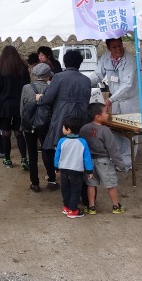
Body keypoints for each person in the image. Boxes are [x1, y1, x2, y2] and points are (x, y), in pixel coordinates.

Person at [38, 50, 92, 191]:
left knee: (49, 147)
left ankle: (55, 177)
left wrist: (40, 98)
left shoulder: (59, 77)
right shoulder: (86, 80)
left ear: (65, 62)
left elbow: (48, 98)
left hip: (63, 116)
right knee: (77, 148)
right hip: (81, 118)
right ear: (80, 63)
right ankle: (80, 180)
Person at [89, 37, 141, 168]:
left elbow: (127, 84)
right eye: (114, 47)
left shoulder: (130, 59)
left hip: (130, 101)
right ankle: (117, 159)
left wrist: (110, 100)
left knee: (130, 131)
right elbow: (97, 75)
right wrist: (84, 82)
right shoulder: (106, 58)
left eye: (120, 45)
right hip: (116, 100)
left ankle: (128, 162)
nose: (118, 49)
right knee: (115, 130)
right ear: (108, 48)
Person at [79, 103, 127, 215]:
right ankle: (116, 206)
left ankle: (91, 207)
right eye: (106, 112)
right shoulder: (105, 130)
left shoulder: (84, 128)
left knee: (91, 184)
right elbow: (113, 150)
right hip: (103, 161)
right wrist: (121, 165)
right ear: (98, 116)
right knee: (110, 184)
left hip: (89, 161)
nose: (108, 114)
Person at [0, 45, 30, 169]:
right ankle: (24, 159)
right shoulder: (23, 68)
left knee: (6, 133)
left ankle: (7, 159)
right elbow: (27, 85)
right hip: (19, 104)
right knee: (19, 133)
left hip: (5, 105)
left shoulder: (1, 68)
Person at [20, 63, 53, 192]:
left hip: (29, 124)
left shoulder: (26, 88)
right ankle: (51, 180)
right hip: (46, 125)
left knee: (32, 153)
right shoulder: (51, 88)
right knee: (48, 151)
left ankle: (35, 183)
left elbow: (22, 109)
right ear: (47, 76)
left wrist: (24, 123)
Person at [54, 116, 94, 219]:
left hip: (64, 170)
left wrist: (56, 167)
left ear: (69, 129)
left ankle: (67, 207)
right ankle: (73, 209)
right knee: (76, 190)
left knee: (65, 189)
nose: (62, 128)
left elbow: (57, 155)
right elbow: (87, 158)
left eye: (63, 127)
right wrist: (89, 170)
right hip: (76, 171)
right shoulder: (82, 142)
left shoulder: (61, 141)